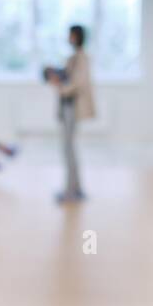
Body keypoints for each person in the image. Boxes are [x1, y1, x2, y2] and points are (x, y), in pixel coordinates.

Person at [47, 24, 96, 202]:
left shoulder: (82, 58)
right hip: (67, 106)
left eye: (70, 35)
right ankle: (75, 187)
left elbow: (77, 83)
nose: (68, 38)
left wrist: (60, 87)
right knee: (68, 148)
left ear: (76, 37)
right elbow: (69, 77)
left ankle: (71, 191)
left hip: (72, 107)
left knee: (68, 148)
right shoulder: (74, 58)